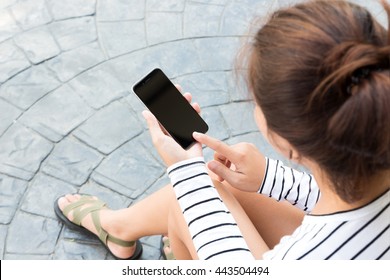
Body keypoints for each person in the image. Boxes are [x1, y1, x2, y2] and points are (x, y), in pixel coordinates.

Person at [54, 0, 390, 260]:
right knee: (217, 185)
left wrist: (184, 168)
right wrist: (267, 178)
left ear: (289, 144)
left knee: (187, 203)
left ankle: (124, 231)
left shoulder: (304, 258)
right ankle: (120, 228)